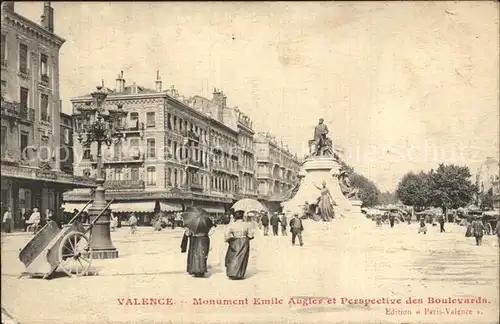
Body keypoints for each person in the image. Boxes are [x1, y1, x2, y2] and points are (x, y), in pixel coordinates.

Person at [224, 210, 254, 279]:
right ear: (242, 216)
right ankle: (239, 274)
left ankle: (231, 272)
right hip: (244, 241)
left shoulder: (231, 224)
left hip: (234, 240)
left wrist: (229, 240)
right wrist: (248, 238)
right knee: (242, 257)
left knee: (232, 257)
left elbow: (226, 235)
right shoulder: (246, 224)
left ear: (235, 217)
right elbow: (251, 234)